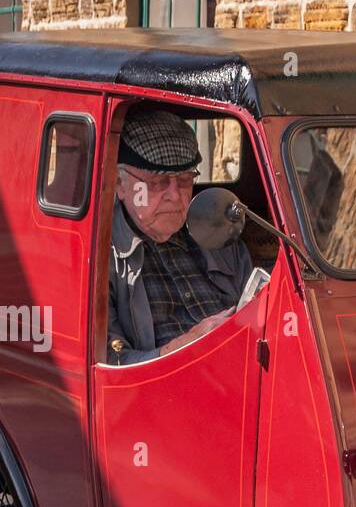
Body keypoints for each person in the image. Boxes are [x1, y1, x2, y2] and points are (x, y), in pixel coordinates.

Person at [108, 110, 253, 365]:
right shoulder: (100, 259)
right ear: (119, 183)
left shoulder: (219, 235)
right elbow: (109, 364)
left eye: (185, 179)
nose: (175, 196)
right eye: (157, 181)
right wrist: (185, 347)